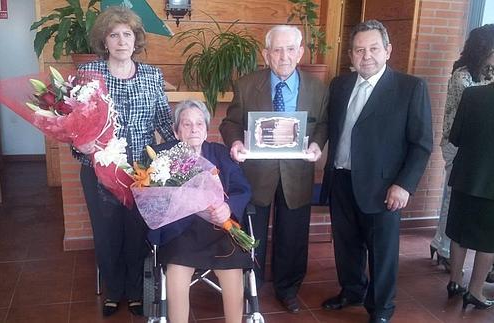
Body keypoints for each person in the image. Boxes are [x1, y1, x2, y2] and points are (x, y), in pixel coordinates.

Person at [317, 20, 433, 323]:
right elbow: (331, 128)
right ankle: (352, 290)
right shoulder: (340, 85)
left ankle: (381, 308)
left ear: (387, 51)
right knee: (346, 244)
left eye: (373, 48)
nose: (365, 55)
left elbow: (421, 144)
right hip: (341, 178)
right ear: (351, 55)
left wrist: (404, 185)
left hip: (384, 188)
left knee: (382, 252)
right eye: (359, 50)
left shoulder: (410, 88)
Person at [72, 6, 176, 317]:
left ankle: (134, 291)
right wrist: (81, 144)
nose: (121, 41)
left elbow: (163, 121)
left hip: (141, 169)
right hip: (100, 168)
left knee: (136, 232)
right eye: (114, 35)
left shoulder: (152, 75)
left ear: (136, 40)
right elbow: (75, 124)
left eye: (127, 35)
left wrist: (182, 153)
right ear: (105, 41)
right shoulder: (89, 74)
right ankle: (113, 291)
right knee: (106, 233)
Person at [219, 25, 327, 313]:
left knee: (292, 235)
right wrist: (236, 142)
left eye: (291, 49)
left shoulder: (317, 88)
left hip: (298, 173)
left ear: (300, 52)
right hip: (256, 173)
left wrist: (317, 144)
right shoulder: (246, 85)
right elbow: (230, 123)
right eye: (277, 49)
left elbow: (323, 124)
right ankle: (250, 286)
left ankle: (288, 288)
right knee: (252, 234)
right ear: (266, 54)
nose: (284, 56)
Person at [148, 100, 252, 323]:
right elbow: (153, 200)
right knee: (176, 274)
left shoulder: (221, 154)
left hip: (219, 229)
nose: (193, 129)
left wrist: (228, 207)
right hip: (181, 232)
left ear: (206, 130)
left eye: (199, 124)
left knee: (233, 271)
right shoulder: (163, 159)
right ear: (176, 132)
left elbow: (241, 188)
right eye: (186, 124)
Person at [429, 24, 494, 274]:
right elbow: (470, 112)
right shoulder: (463, 76)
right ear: (484, 47)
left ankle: (444, 245)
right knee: (451, 201)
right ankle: (443, 247)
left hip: (478, 148)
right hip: (456, 144)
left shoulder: (483, 75)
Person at [445, 83, 494, 310]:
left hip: (465, 174)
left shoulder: (472, 93)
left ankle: (454, 282)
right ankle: (475, 291)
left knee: (458, 231)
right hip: (491, 183)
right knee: (489, 240)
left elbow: (455, 136)